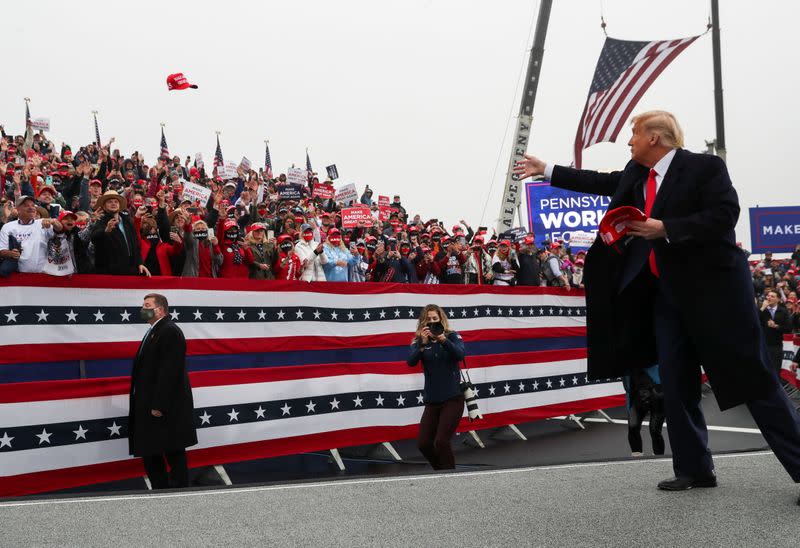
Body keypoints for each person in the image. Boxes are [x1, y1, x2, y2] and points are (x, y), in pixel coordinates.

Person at [514, 109, 800, 502]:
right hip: (667, 298)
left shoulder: (704, 167)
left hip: (714, 294)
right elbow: (603, 181)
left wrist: (665, 228)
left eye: (634, 133)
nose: (629, 141)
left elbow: (724, 215)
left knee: (755, 380)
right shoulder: (636, 175)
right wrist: (548, 170)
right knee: (676, 383)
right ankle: (694, 468)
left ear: (655, 137)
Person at [128, 293, 197, 489]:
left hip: (163, 408)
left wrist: (159, 404)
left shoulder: (170, 331)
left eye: (147, 305)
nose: (143, 309)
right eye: (143, 305)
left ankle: (180, 493)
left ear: (160, 309)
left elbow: (170, 371)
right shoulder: (153, 331)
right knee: (151, 451)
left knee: (173, 451)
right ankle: (160, 492)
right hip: (149, 405)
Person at [406, 304, 465, 470]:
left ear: (441, 320)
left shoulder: (451, 336)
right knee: (424, 444)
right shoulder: (419, 341)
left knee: (441, 441)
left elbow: (460, 354)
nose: (432, 323)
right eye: (428, 320)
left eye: (435, 319)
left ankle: (449, 477)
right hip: (432, 400)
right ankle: (441, 472)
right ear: (423, 322)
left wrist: (443, 340)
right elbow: (410, 362)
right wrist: (423, 344)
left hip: (453, 398)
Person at [0, 195, 63, 272]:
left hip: (41, 275)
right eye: (26, 205)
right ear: (18, 209)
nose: (31, 208)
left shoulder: (43, 222)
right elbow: (2, 251)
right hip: (17, 276)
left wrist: (54, 222)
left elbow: (60, 229)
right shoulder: (8, 227)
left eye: (33, 205)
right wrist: (10, 253)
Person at [759, 290, 793, 376]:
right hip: (762, 345)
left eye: (772, 296)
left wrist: (776, 326)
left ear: (778, 299)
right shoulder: (761, 309)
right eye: (768, 296)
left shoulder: (783, 311)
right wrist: (762, 308)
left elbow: (789, 328)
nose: (769, 298)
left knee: (775, 370)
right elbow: (753, 323)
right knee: (762, 370)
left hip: (776, 345)